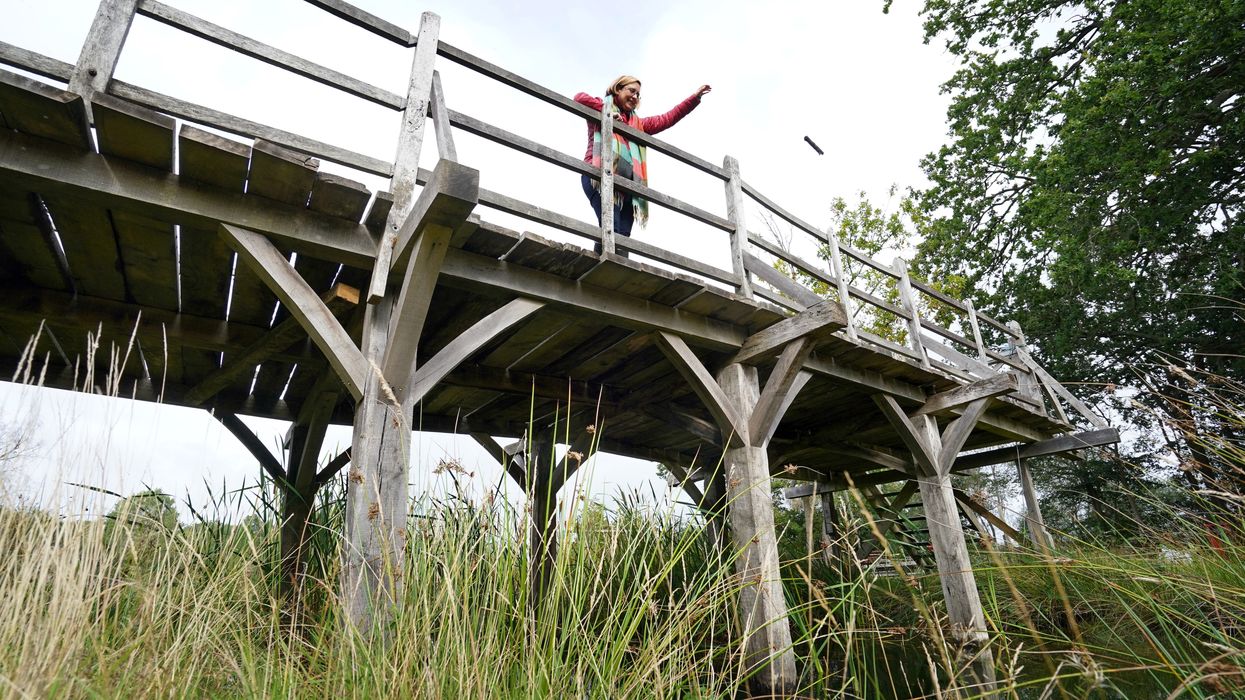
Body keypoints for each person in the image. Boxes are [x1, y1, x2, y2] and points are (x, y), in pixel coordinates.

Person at [574, 76, 711, 250]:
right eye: (631, 91)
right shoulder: (601, 106)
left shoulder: (638, 125)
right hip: (598, 177)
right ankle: (601, 264)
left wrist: (694, 98)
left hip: (627, 187)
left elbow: (667, 118)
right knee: (610, 228)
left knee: (623, 238)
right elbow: (579, 97)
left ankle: (614, 269)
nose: (635, 97)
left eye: (638, 94)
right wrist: (606, 112)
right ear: (618, 89)